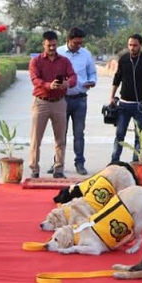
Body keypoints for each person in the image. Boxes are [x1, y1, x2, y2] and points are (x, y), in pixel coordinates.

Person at [28, 30, 76, 179]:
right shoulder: (36, 61)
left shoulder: (64, 61)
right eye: (49, 45)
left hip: (59, 103)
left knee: (60, 138)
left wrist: (67, 83)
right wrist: (49, 85)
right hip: (41, 102)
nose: (52, 48)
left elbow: (73, 76)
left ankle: (59, 168)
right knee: (36, 138)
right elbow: (35, 79)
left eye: (54, 45)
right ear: (43, 44)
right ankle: (34, 168)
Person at [108, 34, 142, 164]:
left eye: (135, 45)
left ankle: (136, 163)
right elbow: (117, 78)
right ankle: (114, 161)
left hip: (139, 106)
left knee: (139, 137)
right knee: (120, 135)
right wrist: (112, 96)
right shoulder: (124, 59)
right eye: (130, 45)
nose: (132, 48)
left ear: (141, 45)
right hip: (124, 105)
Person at [57, 27, 97, 176]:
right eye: (75, 43)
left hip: (80, 99)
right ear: (68, 40)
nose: (78, 45)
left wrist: (92, 81)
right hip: (61, 99)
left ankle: (80, 163)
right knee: (60, 133)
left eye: (81, 43)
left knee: (79, 133)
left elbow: (92, 72)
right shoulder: (59, 53)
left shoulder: (86, 54)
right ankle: (58, 163)